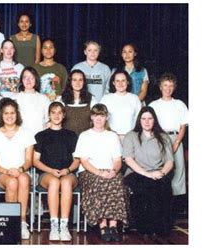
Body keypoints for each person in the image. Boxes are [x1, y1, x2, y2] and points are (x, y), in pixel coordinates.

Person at [73, 104, 127, 242]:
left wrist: (113, 171)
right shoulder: (84, 136)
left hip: (109, 170)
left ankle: (113, 225)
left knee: (117, 181)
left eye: (102, 115)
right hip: (89, 172)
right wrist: (99, 172)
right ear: (92, 117)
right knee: (100, 182)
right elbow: (83, 161)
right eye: (96, 115)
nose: (99, 118)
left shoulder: (112, 136)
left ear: (106, 118)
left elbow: (117, 160)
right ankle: (103, 225)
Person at [0, 98, 35, 240]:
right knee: (12, 182)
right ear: (1, 116)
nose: (9, 116)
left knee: (23, 179)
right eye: (6, 113)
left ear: (17, 114)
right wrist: (7, 171)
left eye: (12, 113)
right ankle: (10, 221)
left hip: (20, 171)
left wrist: (20, 170)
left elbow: (29, 160)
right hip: (0, 173)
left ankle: (22, 222)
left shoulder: (27, 133)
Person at [123, 106, 174, 236]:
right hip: (137, 173)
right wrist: (147, 174)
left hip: (157, 172)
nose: (147, 121)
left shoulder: (163, 137)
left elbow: (170, 161)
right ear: (139, 120)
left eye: (150, 118)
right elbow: (128, 160)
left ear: (154, 120)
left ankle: (160, 226)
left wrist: (161, 173)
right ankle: (145, 226)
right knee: (147, 186)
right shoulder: (131, 136)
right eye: (143, 118)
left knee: (163, 186)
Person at [33, 102, 79, 241]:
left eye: (60, 112)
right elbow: (35, 161)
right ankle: (54, 225)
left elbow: (76, 160)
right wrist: (51, 171)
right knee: (54, 182)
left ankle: (63, 225)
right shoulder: (40, 136)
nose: (56, 115)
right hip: (47, 174)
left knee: (65, 183)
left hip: (68, 173)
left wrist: (68, 170)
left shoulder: (71, 135)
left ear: (64, 115)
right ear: (49, 115)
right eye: (53, 112)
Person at [149, 73, 188, 197]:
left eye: (171, 86)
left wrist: (176, 142)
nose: (168, 88)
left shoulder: (180, 104)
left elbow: (183, 126)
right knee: (160, 167)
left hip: (175, 137)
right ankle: (162, 197)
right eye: (165, 85)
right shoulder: (153, 105)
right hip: (158, 137)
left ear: (174, 87)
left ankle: (178, 200)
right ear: (160, 87)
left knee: (178, 168)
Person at [100, 69, 141, 141]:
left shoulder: (135, 99)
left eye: (123, 80)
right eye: (117, 81)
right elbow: (100, 119)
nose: (120, 84)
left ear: (128, 82)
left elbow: (139, 120)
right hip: (110, 138)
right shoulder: (106, 99)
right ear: (113, 83)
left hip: (131, 138)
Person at [14, 66, 51, 135]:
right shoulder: (15, 99)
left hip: (40, 139)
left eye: (31, 77)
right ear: (22, 80)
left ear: (36, 79)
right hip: (21, 139)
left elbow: (49, 122)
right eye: (25, 77)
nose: (28, 80)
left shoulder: (44, 99)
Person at [60, 69, 97, 136]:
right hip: (67, 139)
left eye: (80, 80)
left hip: (86, 139)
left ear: (84, 82)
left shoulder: (92, 99)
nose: (77, 83)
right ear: (70, 82)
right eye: (74, 80)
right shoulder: (61, 99)